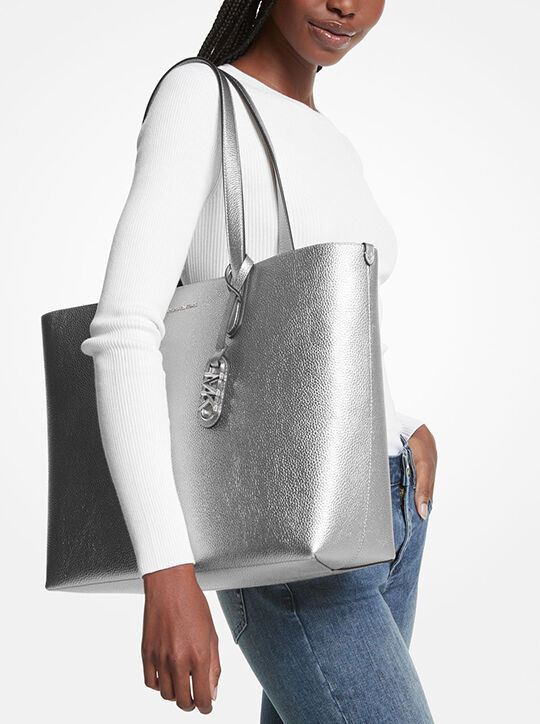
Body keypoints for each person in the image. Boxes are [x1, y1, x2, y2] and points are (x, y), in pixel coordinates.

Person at [80, 0, 438, 720]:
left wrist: (401, 425)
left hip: (392, 506)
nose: (346, 6)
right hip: (285, 524)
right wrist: (167, 568)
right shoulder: (200, 97)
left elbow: (321, 331)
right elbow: (125, 332)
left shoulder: (331, 138)